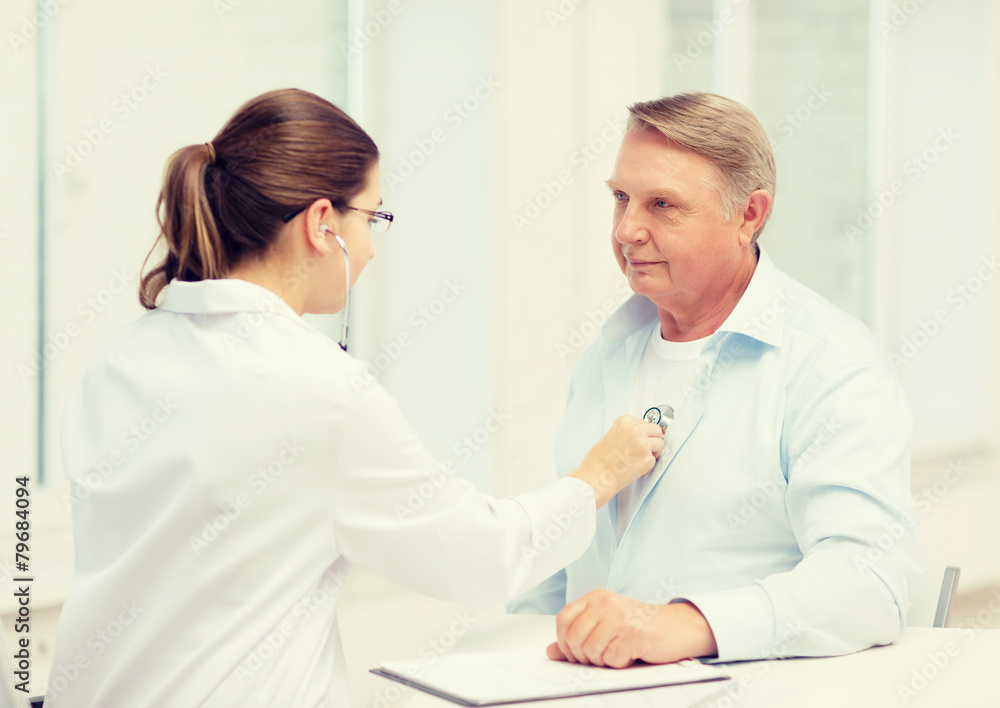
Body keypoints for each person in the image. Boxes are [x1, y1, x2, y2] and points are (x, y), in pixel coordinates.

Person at [45, 89, 665, 707]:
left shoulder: (120, 358)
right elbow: (481, 556)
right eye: (372, 218)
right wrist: (598, 474)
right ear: (322, 224)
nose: (370, 245)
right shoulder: (315, 392)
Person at [508, 92, 922, 669]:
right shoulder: (609, 353)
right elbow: (563, 573)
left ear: (748, 215)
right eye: (621, 198)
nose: (628, 230)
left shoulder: (831, 364)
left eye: (662, 205)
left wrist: (684, 624)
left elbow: (870, 583)